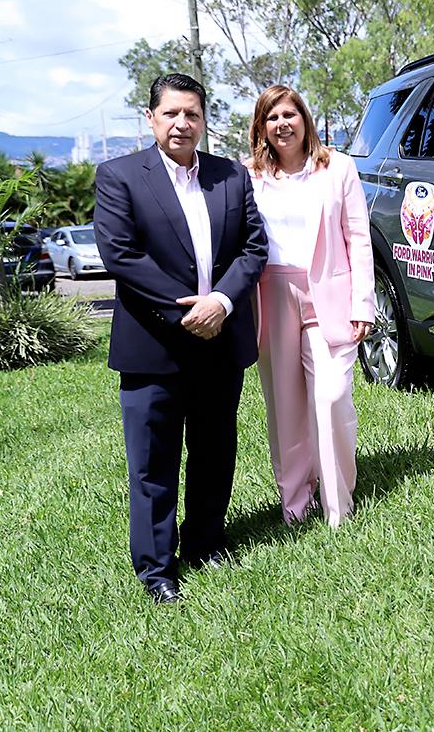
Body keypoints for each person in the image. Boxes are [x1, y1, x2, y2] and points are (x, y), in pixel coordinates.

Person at [94, 73, 269, 604]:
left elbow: (253, 248)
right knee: (153, 464)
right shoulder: (119, 176)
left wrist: (222, 302)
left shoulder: (231, 176)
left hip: (221, 339)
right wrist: (187, 311)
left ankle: (206, 543)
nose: (182, 123)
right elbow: (121, 256)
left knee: (216, 451)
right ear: (151, 118)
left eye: (192, 113)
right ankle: (156, 568)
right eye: (171, 113)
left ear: (203, 119)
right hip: (154, 344)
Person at [248, 85, 374, 528]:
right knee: (285, 407)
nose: (282, 124)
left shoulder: (338, 168)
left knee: (332, 395)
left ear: (304, 118)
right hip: (273, 295)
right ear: (261, 127)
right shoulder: (250, 176)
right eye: (272, 118)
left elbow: (358, 237)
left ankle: (339, 503)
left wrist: (363, 302)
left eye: (289, 114)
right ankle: (295, 505)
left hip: (330, 296)